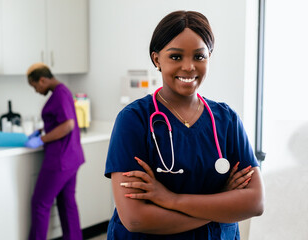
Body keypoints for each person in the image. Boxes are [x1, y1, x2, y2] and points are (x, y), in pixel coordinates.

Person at [104, 10, 264, 239]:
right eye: (176, 57)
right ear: (157, 59)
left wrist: (171, 199)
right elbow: (135, 218)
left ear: (209, 57)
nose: (189, 67)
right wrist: (222, 204)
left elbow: (255, 202)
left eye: (199, 57)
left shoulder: (227, 120)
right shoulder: (134, 120)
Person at [25, 63, 84, 240]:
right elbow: (61, 122)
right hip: (71, 157)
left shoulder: (59, 94)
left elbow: (68, 125)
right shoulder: (63, 92)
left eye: (35, 86)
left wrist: (41, 139)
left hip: (60, 159)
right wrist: (43, 131)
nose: (36, 90)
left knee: (40, 204)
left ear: (42, 80)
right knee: (67, 203)